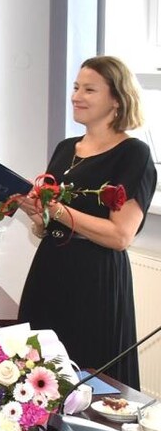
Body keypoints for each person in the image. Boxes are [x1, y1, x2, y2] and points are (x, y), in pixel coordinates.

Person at [18, 56, 157, 387]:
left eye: (89, 90)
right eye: (76, 87)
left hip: (95, 281)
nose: (76, 96)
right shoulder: (66, 148)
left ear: (117, 99)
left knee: (90, 380)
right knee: (35, 377)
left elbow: (120, 236)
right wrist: (37, 214)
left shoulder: (133, 154)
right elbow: (49, 224)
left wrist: (58, 211)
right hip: (49, 269)